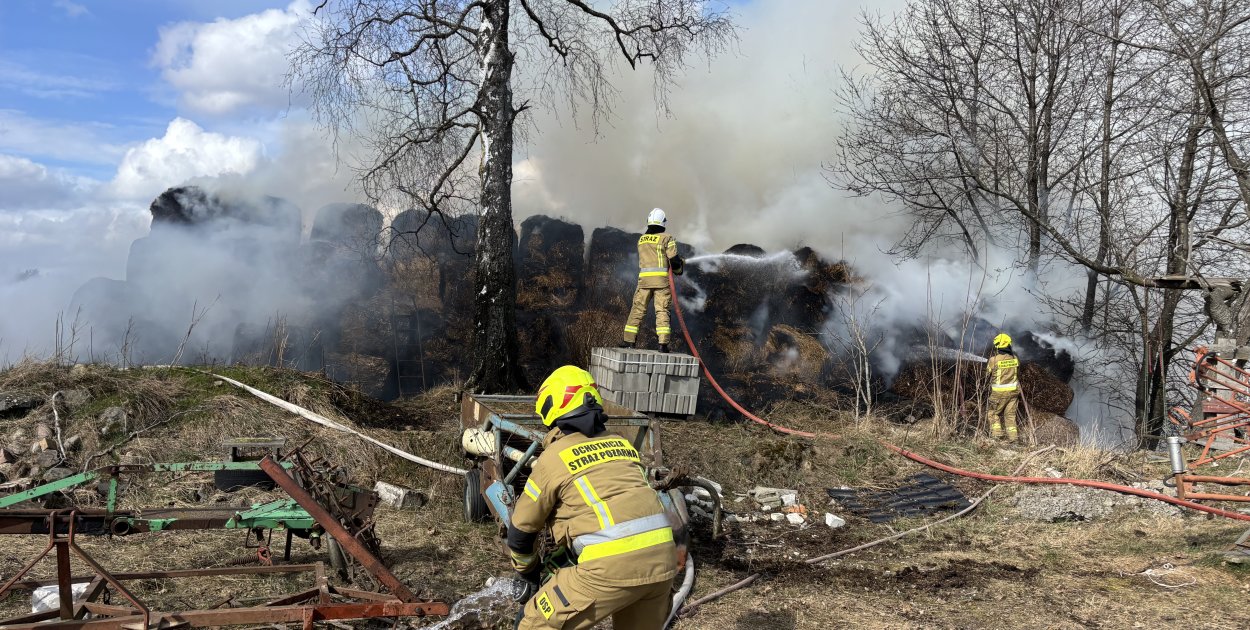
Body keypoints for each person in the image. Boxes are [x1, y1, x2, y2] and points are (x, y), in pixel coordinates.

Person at [507, 365, 678, 629]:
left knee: (533, 623)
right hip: (664, 563)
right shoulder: (622, 445)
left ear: (552, 408)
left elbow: (521, 531)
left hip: (608, 570)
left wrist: (528, 572)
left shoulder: (554, 457)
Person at [621, 208, 684, 353]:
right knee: (662, 311)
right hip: (661, 282)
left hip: (644, 282)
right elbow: (674, 262)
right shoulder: (667, 238)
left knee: (637, 310)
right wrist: (680, 269)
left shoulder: (641, 240)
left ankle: (629, 341)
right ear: (663, 222)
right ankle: (662, 345)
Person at [986, 333, 1021, 442]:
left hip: (999, 393)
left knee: (992, 413)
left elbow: (987, 374)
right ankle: (1013, 439)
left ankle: (997, 435)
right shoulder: (1015, 358)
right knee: (1010, 416)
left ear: (997, 346)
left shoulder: (994, 360)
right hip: (1014, 392)